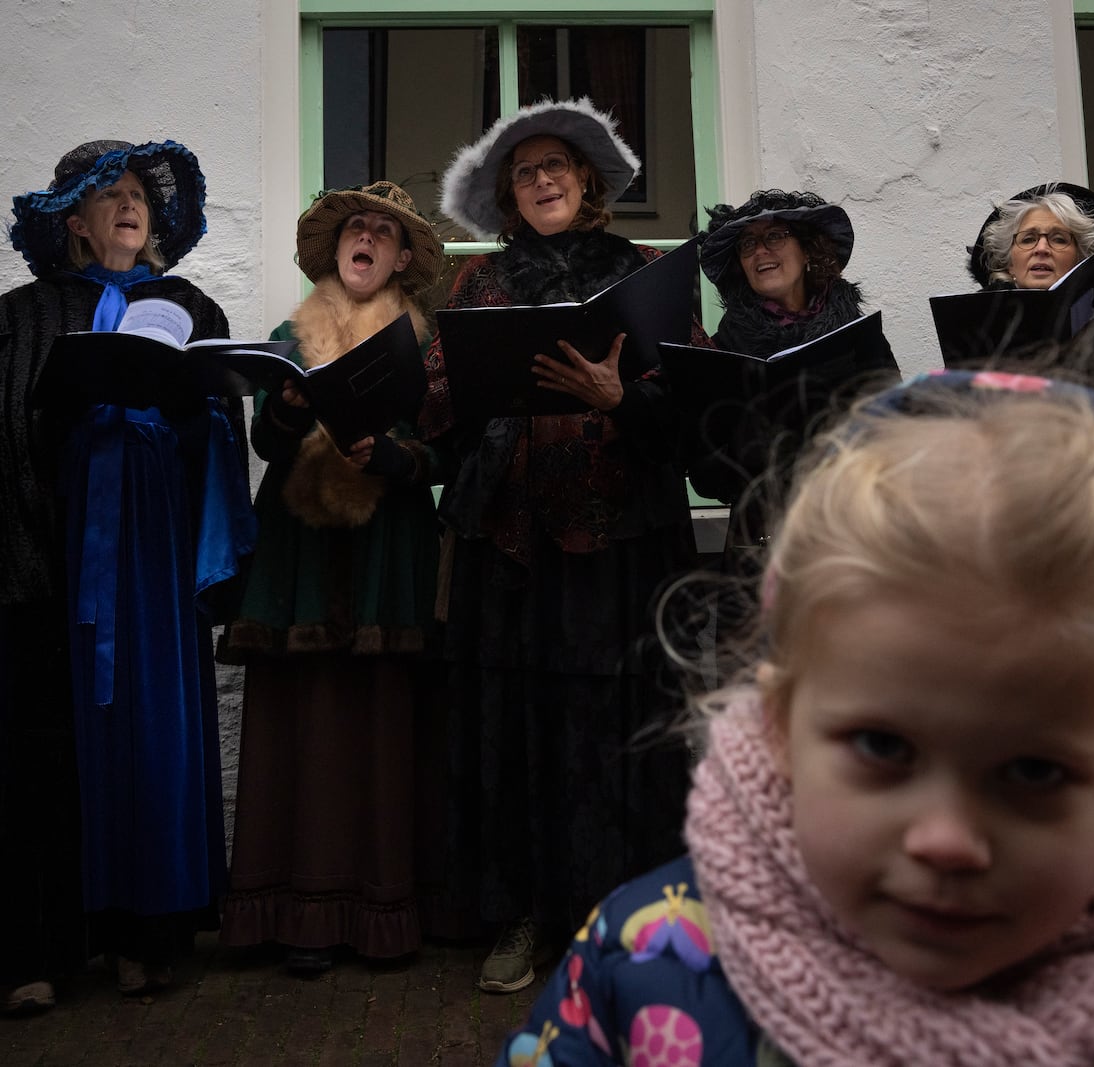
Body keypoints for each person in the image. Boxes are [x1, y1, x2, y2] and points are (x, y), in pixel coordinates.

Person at [492, 369, 1094, 1066]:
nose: (947, 839)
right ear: (783, 722)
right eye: (882, 745)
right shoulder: (651, 949)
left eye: (1033, 771)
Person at [421, 98, 698, 994]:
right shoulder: (479, 287)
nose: (542, 180)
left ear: (587, 182)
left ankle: (620, 918)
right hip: (509, 547)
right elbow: (438, 412)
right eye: (525, 172)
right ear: (509, 196)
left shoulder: (647, 275)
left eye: (557, 167)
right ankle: (520, 913)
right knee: (514, 732)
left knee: (611, 731)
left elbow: (696, 415)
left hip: (618, 545)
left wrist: (625, 400)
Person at [1, 139, 252, 1007]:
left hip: (155, 547)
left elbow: (219, 425)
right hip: (55, 544)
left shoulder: (187, 303)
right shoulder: (26, 312)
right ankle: (43, 947)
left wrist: (191, 405)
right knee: (42, 744)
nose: (129, 201)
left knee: (153, 735)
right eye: (108, 192)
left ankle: (149, 935)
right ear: (74, 220)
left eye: (140, 191)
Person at [216, 181, 444, 973]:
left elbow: (446, 443)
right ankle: (294, 914)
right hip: (300, 557)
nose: (369, 237)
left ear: (402, 257)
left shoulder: (427, 343)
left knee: (376, 724)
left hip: (386, 550)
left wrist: (392, 455)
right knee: (298, 723)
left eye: (385, 231)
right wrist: (281, 407)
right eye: (357, 226)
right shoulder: (291, 331)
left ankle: (375, 912)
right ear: (337, 247)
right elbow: (269, 440)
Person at [687, 189, 899, 579]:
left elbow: (892, 434)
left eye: (775, 237)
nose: (760, 251)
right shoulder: (723, 350)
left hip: (851, 532)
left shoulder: (856, 334)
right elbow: (705, 473)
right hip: (762, 540)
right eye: (747, 244)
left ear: (807, 252)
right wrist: (751, 445)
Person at [966, 183, 1094, 399]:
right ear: (1009, 264)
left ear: (1080, 260)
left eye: (1059, 239)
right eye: (1028, 239)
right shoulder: (979, 327)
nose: (1041, 249)